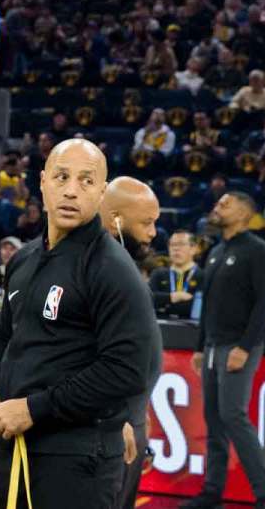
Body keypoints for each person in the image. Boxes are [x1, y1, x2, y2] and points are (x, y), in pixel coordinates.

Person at [0, 140, 154, 509]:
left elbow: (127, 370)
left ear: (102, 192)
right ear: (42, 182)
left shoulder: (112, 268)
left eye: (86, 181)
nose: (71, 190)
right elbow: (7, 334)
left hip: (77, 459)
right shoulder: (23, 259)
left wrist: (33, 408)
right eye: (62, 177)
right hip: (12, 451)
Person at [183, 191, 265, 508]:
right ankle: (212, 492)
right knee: (213, 420)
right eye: (217, 203)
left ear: (243, 213)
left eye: (225, 204)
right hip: (212, 346)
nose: (217, 207)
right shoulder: (215, 251)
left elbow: (264, 303)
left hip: (238, 346)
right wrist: (200, 347)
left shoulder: (258, 250)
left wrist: (244, 347)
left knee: (233, 416)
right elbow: (208, 304)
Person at [98, 176, 165, 509]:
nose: (153, 233)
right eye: (148, 223)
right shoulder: (98, 269)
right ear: (117, 221)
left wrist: (141, 407)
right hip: (108, 425)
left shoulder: (126, 269)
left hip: (131, 416)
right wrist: (116, 418)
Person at [149, 230, 203, 319]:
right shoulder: (158, 273)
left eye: (181, 244)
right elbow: (149, 299)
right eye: (172, 244)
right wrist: (172, 297)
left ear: (193, 249)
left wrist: (163, 302)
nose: (176, 248)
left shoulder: (202, 276)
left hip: (192, 329)